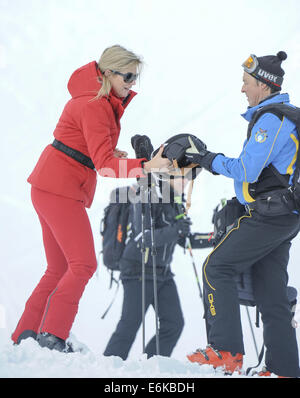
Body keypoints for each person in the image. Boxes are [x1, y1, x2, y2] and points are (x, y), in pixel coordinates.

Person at [11, 44, 170, 352]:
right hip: (61, 189)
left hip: (49, 185)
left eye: (135, 78)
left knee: (58, 269)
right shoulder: (95, 105)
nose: (131, 84)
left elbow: (88, 147)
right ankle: (52, 336)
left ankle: (26, 334)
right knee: (83, 265)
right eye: (127, 76)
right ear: (108, 73)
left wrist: (109, 153)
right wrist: (146, 166)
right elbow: (106, 167)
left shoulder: (91, 98)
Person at [184, 51, 300, 377]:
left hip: (269, 216)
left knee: (216, 267)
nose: (242, 89)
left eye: (246, 82)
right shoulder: (285, 116)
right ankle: (283, 370)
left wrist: (207, 159)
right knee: (271, 293)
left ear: (264, 85)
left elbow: (246, 171)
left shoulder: (272, 119)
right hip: (285, 215)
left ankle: (225, 354)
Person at [103, 169, 214, 360]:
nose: (186, 182)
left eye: (188, 179)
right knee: (130, 324)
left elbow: (184, 239)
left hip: (162, 272)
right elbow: (143, 238)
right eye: (182, 177)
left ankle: (150, 366)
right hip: (137, 269)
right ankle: (106, 368)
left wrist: (216, 238)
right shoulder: (147, 196)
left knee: (173, 324)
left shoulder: (175, 203)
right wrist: (176, 229)